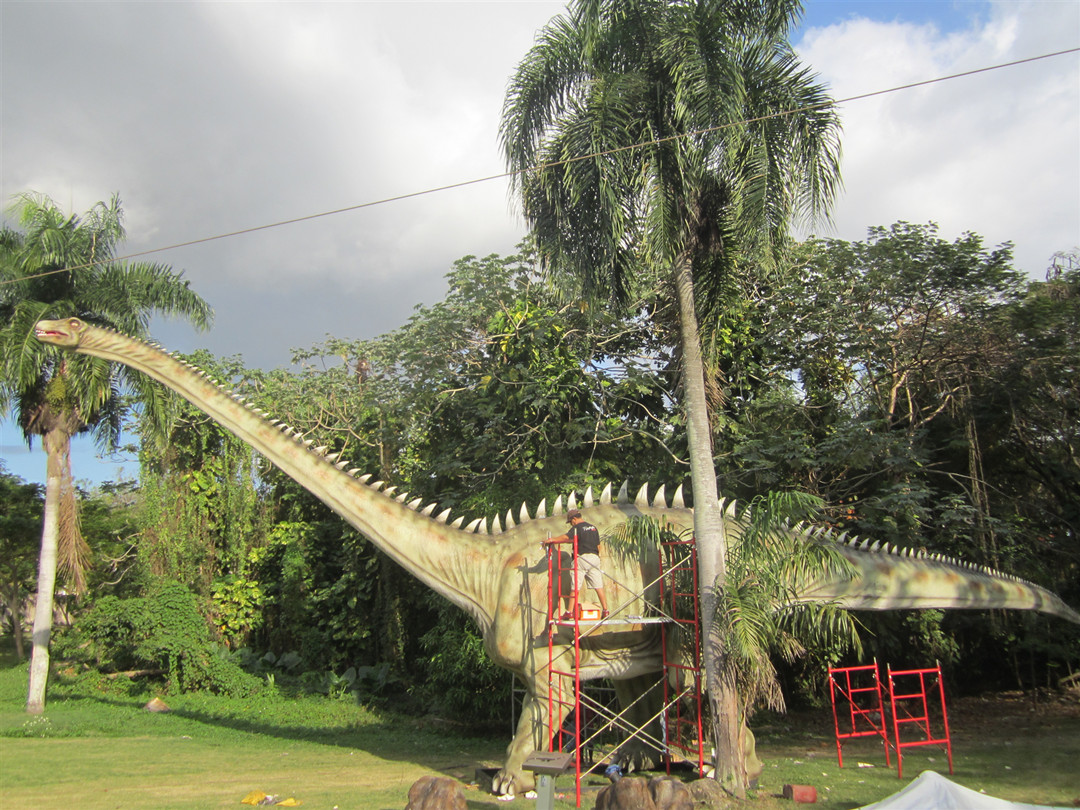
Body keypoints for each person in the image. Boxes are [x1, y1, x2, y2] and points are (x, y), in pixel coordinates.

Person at [542, 509, 609, 620]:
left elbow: (566, 537)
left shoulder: (577, 528)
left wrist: (551, 540)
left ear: (574, 519)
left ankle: (569, 612)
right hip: (595, 558)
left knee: (575, 587)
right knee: (598, 586)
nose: (571, 524)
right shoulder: (593, 528)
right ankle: (606, 610)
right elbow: (598, 546)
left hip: (582, 558)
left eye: (570, 522)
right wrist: (597, 557)